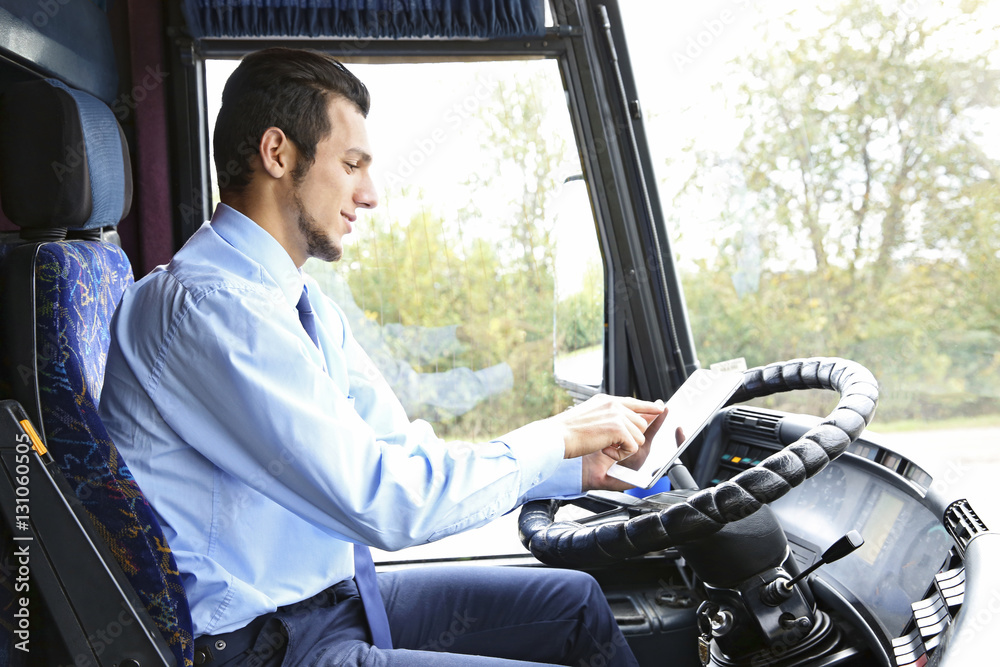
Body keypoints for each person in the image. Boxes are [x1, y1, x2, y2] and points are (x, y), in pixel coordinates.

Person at [99, 47, 663, 666]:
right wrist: (553, 438)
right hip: (259, 647)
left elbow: (399, 453)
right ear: (278, 153)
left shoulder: (295, 302)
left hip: (329, 602)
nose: (370, 195)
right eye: (352, 164)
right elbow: (389, 504)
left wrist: (575, 466)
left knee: (576, 603)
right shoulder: (209, 310)